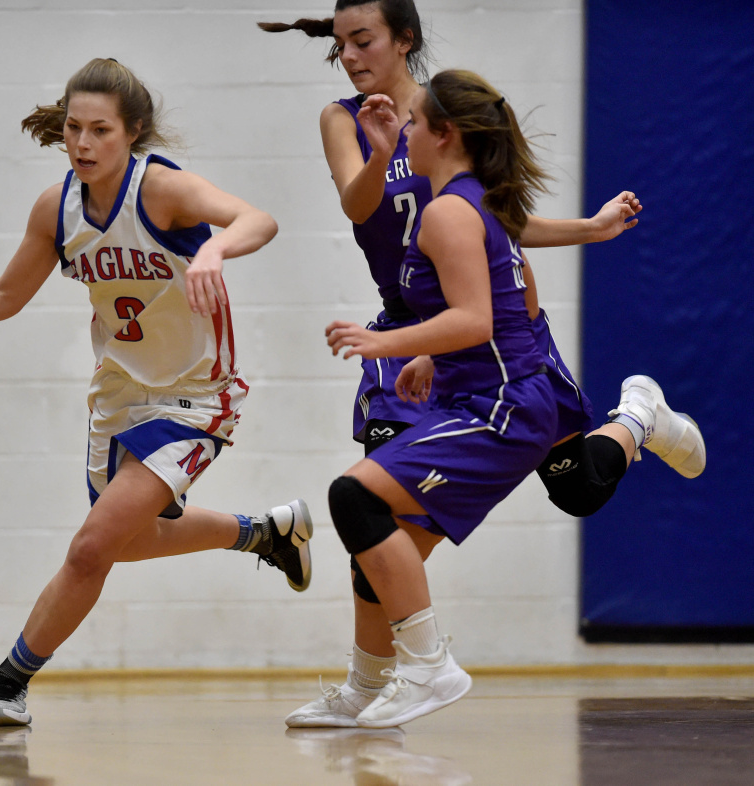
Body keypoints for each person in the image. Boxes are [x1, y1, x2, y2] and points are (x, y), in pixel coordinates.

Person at [261, 2, 705, 727]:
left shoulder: (448, 120)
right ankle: (370, 683)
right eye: (339, 43)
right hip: (422, 341)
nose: (347, 54)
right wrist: (380, 153)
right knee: (377, 523)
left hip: (484, 345)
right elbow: (358, 205)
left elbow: (493, 232)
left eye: (363, 39)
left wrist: (587, 231)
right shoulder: (350, 120)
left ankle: (637, 418)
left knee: (577, 492)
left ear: (404, 40)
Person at [0, 58, 313, 726]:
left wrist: (215, 251)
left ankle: (7, 683)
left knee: (90, 548)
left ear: (131, 133)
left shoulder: (160, 190)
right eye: (73, 127)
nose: (82, 142)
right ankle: (263, 533)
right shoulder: (57, 207)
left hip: (196, 395)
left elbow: (256, 218)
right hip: (118, 395)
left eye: (99, 129)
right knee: (127, 542)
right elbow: (3, 296)